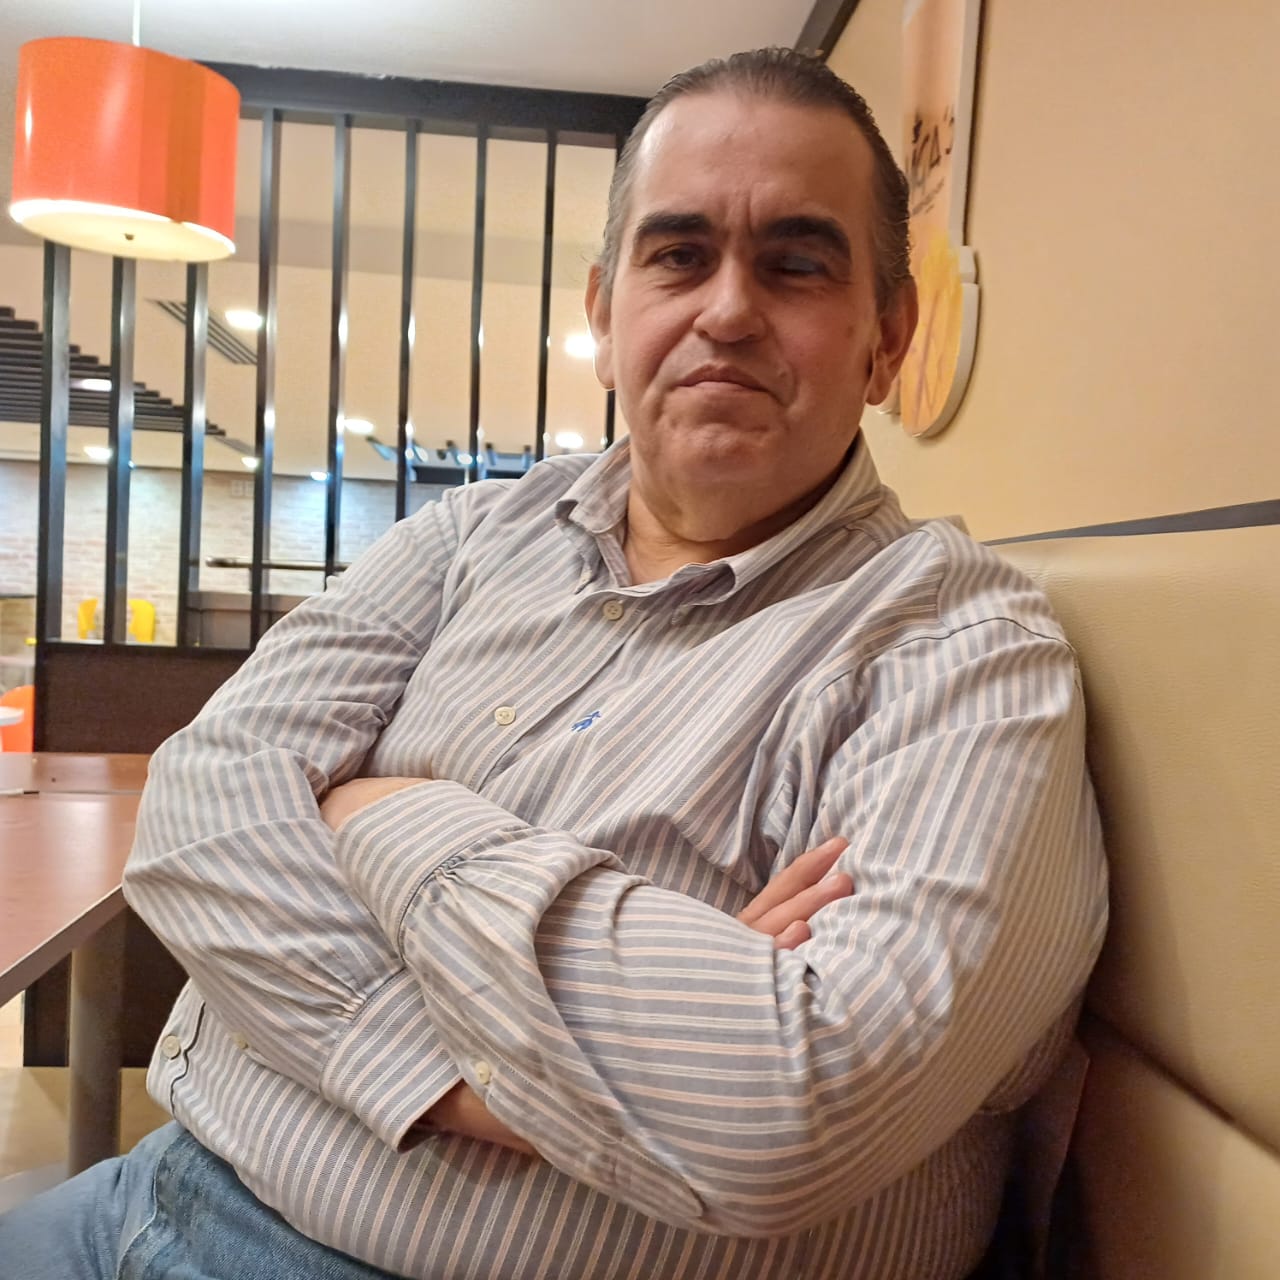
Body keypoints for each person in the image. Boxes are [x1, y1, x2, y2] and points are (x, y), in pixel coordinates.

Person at [0, 47, 1107, 1280]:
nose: (726, 310)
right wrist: (473, 1072)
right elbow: (200, 807)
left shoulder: (959, 650)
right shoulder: (472, 534)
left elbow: (782, 1110)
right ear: (603, 312)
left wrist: (380, 814)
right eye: (677, 253)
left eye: (795, 263)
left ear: (885, 337)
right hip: (156, 1190)